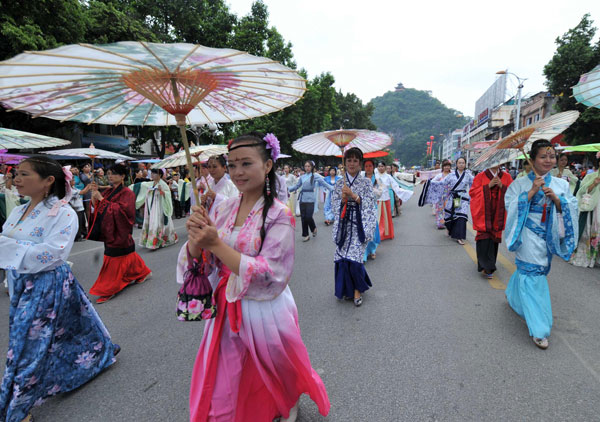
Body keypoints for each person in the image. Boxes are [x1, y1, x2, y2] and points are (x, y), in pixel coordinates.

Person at [177, 132, 330, 422]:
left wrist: (216, 244)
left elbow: (271, 271)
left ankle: (286, 399)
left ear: (268, 165)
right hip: (225, 306)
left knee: (276, 365)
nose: (237, 172)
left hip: (265, 307)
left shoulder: (279, 214)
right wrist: (197, 241)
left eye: (246, 163)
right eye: (232, 165)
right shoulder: (222, 208)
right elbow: (204, 263)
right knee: (226, 377)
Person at [0, 156, 119, 422]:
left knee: (26, 346)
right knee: (73, 328)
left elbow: (52, 254)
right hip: (21, 285)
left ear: (48, 181)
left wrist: (7, 249)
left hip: (47, 284)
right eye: (15, 174)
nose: (15, 179)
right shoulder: (17, 211)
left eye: (24, 174)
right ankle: (100, 353)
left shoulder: (63, 212)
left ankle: (17, 407)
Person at [504, 140, 578, 349]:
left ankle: (514, 297)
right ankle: (540, 328)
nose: (549, 160)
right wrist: (529, 193)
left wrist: (558, 201)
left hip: (548, 235)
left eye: (552, 156)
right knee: (534, 274)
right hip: (526, 234)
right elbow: (509, 207)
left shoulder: (561, 184)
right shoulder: (519, 183)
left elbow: (572, 206)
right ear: (532, 159)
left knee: (531, 271)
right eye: (543, 156)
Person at [87, 164, 152, 303]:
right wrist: (94, 199)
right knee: (128, 256)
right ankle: (142, 272)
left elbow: (123, 212)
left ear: (122, 176)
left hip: (120, 230)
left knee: (115, 259)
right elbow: (100, 209)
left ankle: (108, 289)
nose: (110, 176)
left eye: (114, 173)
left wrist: (102, 200)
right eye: (109, 173)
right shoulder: (107, 192)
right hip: (110, 229)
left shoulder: (128, 193)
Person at [332, 148, 377, 306]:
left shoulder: (365, 182)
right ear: (345, 163)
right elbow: (334, 204)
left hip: (359, 225)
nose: (352, 163)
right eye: (349, 160)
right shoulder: (340, 182)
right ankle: (346, 289)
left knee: (355, 257)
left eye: (355, 160)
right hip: (344, 225)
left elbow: (370, 203)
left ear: (360, 164)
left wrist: (353, 195)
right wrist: (342, 200)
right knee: (343, 256)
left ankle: (358, 290)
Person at [469, 164, 513, 278]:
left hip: (498, 212)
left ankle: (490, 264)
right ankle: (486, 267)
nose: (495, 163)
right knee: (484, 238)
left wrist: (502, 186)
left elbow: (513, 193)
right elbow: (473, 193)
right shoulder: (480, 176)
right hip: (483, 213)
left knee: (493, 239)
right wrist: (487, 186)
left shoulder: (506, 177)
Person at [419, 157, 474, 245]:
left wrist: (472, 196)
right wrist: (429, 182)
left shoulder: (468, 175)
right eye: (459, 163)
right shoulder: (451, 175)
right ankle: (450, 229)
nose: (461, 164)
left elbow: (474, 184)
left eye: (463, 163)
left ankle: (459, 237)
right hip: (453, 198)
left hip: (463, 199)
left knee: (462, 217)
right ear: (456, 164)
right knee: (450, 216)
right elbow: (442, 183)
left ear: (465, 164)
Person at [289, 161, 333, 241]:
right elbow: (297, 186)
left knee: (308, 217)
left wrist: (333, 189)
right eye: (306, 166)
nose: (307, 168)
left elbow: (324, 183)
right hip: (302, 198)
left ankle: (313, 228)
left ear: (312, 167)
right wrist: (288, 189)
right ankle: (305, 235)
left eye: (309, 166)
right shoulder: (302, 177)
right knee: (303, 218)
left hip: (310, 198)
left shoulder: (315, 175)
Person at [570, 158, 600, 268]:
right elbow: (581, 191)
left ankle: (596, 258)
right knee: (589, 232)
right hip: (592, 208)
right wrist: (594, 184)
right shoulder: (591, 176)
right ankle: (586, 257)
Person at [138, 168, 178, 250]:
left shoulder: (163, 184)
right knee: (152, 222)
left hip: (160, 207)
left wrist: (162, 192)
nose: (152, 175)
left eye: (154, 173)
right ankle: (152, 240)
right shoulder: (151, 183)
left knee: (158, 223)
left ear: (159, 175)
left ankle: (158, 241)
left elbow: (167, 194)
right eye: (152, 173)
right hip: (152, 207)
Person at [375, 161, 409, 240]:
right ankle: (378, 234)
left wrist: (407, 192)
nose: (380, 168)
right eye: (379, 166)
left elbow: (396, 187)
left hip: (386, 199)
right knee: (377, 218)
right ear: (377, 167)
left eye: (382, 166)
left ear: (385, 167)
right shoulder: (375, 176)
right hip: (377, 200)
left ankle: (386, 234)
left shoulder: (388, 177)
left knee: (386, 218)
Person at [363, 159, 382, 260]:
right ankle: (365, 252)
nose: (368, 168)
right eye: (366, 166)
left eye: (370, 166)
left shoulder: (377, 180)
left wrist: (371, 189)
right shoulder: (360, 179)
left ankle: (373, 249)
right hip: (362, 207)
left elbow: (379, 193)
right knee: (364, 229)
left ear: (373, 167)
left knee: (373, 229)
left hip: (373, 207)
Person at [431, 160, 452, 229]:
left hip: (450, 195)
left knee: (449, 209)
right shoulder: (439, 175)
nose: (447, 167)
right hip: (440, 196)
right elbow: (432, 182)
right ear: (443, 167)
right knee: (440, 209)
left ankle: (448, 222)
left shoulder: (453, 175)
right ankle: (440, 223)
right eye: (445, 166)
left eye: (448, 166)